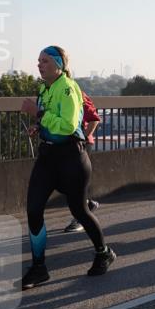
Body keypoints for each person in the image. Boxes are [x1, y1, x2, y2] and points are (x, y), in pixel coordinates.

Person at [20, 46, 116, 289]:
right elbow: (52, 122)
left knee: (80, 210)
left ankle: (103, 252)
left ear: (58, 64)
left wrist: (39, 113)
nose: (39, 64)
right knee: (33, 210)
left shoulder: (69, 88)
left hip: (72, 158)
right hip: (47, 156)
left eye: (44, 61)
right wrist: (39, 127)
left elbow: (69, 125)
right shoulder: (44, 87)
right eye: (38, 60)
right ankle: (39, 268)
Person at [63, 90, 102, 233]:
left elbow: (94, 119)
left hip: (80, 145)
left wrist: (83, 139)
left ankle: (80, 217)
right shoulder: (50, 93)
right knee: (65, 182)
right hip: (63, 146)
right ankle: (87, 204)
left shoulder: (75, 92)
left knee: (75, 182)